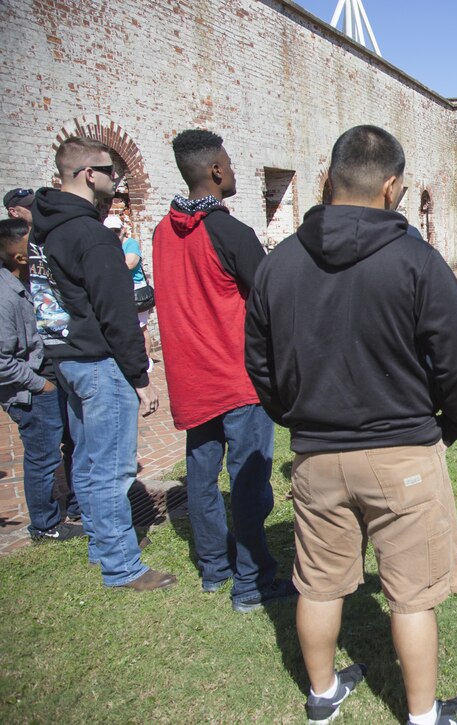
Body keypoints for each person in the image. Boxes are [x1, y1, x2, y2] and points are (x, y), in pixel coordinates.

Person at [246, 125, 457, 725]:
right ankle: (424, 715)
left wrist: (295, 418)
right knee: (412, 594)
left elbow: (261, 363)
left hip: (317, 452)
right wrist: (448, 425)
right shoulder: (418, 262)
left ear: (329, 179)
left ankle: (322, 694)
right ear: (393, 188)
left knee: (318, 584)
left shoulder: (278, 265)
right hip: (400, 449)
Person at [152, 129, 291, 612]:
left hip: (192, 380)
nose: (232, 172)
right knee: (250, 482)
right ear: (214, 170)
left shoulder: (161, 231)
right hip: (236, 378)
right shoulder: (230, 232)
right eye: (229, 164)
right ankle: (252, 582)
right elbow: (271, 301)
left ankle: (214, 569)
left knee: (202, 479)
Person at [31, 136, 175, 591]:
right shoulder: (91, 236)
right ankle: (121, 565)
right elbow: (117, 313)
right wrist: (140, 376)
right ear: (88, 174)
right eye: (111, 171)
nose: (117, 180)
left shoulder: (45, 229)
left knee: (90, 463)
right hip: (99, 362)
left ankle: (103, 544)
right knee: (112, 468)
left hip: (68, 359)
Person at [0, 218, 83, 541]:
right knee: (42, 457)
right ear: (20, 256)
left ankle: (76, 505)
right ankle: (45, 524)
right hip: (33, 390)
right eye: (32, 243)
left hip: (54, 379)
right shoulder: (6, 297)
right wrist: (41, 386)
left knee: (71, 444)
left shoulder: (29, 284)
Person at [105, 215, 154, 371]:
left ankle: (146, 361)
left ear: (123, 230)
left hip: (135, 291)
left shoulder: (130, 243)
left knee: (141, 327)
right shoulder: (107, 245)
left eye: (116, 231)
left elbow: (130, 263)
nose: (114, 234)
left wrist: (107, 265)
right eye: (110, 231)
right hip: (117, 289)